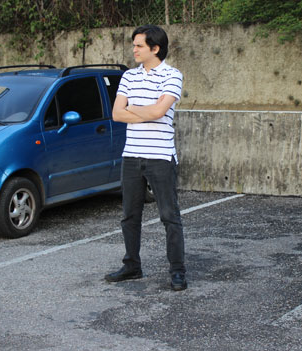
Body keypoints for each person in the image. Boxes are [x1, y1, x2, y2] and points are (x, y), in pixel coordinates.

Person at [105, 24, 187, 291]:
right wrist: (148, 110)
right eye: (134, 45)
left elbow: (160, 112)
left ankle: (177, 271)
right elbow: (117, 114)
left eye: (139, 45)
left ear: (155, 48)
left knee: (169, 215)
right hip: (131, 156)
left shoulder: (172, 75)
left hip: (160, 157)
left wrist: (136, 109)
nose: (134, 50)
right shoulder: (128, 76)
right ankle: (132, 266)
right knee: (129, 215)